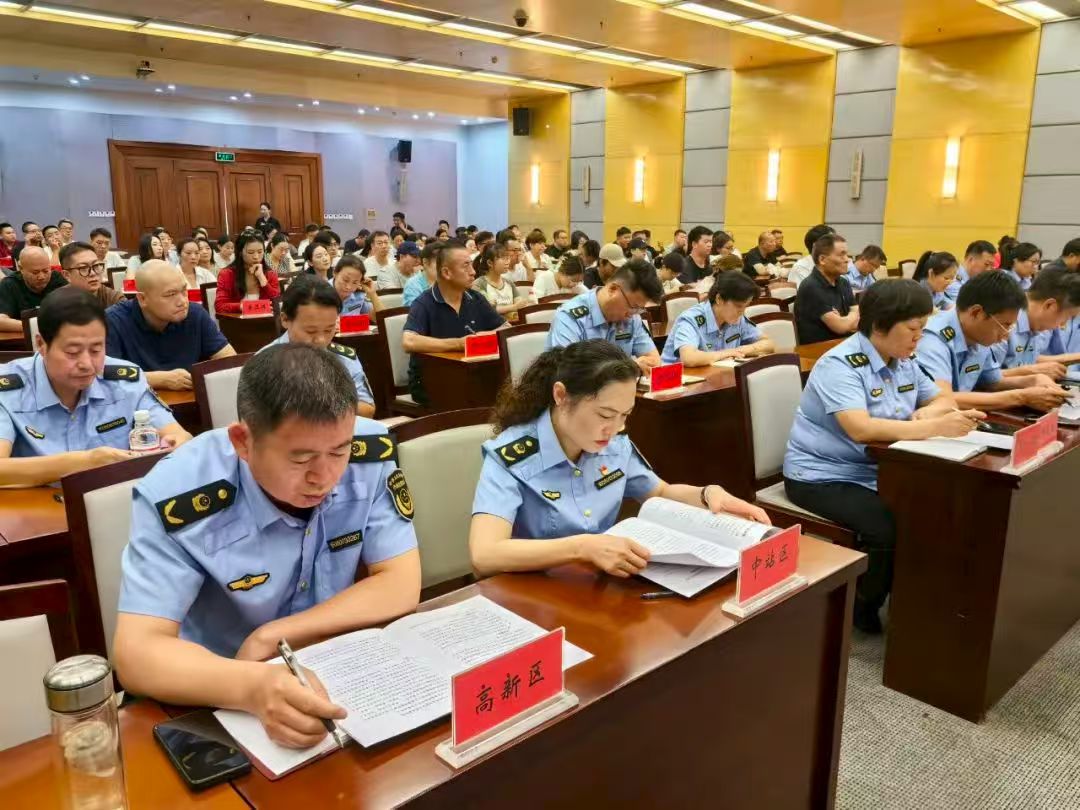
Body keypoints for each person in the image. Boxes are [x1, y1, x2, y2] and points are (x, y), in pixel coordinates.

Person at [113, 343, 420, 748]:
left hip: (331, 668)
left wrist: (274, 635)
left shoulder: (370, 452)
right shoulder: (180, 492)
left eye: (338, 451)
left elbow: (400, 581)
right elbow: (137, 653)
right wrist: (252, 687)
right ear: (243, 441)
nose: (325, 477)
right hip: (213, 691)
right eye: (301, 459)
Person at [469, 339, 769, 578]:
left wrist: (706, 494)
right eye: (605, 415)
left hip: (599, 582)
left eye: (625, 415)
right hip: (534, 590)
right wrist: (582, 548)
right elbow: (484, 554)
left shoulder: (613, 444)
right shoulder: (512, 455)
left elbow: (660, 492)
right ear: (561, 396)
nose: (615, 429)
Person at [783, 280, 981, 633]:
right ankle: (862, 606)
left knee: (937, 508)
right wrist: (934, 427)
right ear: (878, 326)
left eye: (923, 328)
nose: (919, 337)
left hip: (881, 468)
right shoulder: (840, 365)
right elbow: (861, 429)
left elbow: (943, 398)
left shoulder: (903, 360)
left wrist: (928, 413)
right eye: (913, 329)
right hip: (822, 475)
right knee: (884, 527)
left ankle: (918, 601)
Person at [0, 287, 191, 487]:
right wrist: (86, 462)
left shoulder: (124, 381)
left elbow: (180, 437)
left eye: (96, 350)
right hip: (37, 504)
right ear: (41, 344)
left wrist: (176, 444)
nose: (86, 363)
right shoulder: (8, 389)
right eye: (72, 352)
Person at [914, 271, 1069, 412]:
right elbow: (941, 399)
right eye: (1004, 325)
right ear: (976, 313)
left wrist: (1034, 379)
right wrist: (1021, 397)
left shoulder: (978, 336)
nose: (1006, 335)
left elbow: (992, 381)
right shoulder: (933, 340)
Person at [402, 243, 506, 405]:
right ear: (446, 272)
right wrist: (459, 343)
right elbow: (409, 341)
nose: (473, 272)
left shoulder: (475, 298)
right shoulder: (424, 302)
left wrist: (482, 337)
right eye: (466, 266)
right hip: (433, 381)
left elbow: (506, 329)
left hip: (474, 374)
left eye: (471, 265)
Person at [107, 261, 236, 391]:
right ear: (142, 299)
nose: (182, 301)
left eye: (184, 291)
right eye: (170, 294)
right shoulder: (114, 320)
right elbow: (108, 372)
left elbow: (231, 361)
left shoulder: (195, 314)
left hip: (189, 399)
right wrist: (160, 380)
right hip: (137, 400)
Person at [263, 277, 375, 418]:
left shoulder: (343, 357)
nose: (321, 340)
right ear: (285, 319)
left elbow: (367, 409)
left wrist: (327, 402)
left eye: (329, 330)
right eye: (311, 331)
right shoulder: (264, 362)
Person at [546, 258, 662, 373]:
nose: (632, 315)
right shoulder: (570, 318)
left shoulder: (632, 317)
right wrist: (628, 367)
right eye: (633, 306)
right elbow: (567, 373)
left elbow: (654, 361)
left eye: (639, 309)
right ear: (613, 289)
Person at [661, 272, 775, 365]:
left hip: (714, 378)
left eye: (746, 306)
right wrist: (726, 353)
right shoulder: (691, 319)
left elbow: (769, 344)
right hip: (674, 382)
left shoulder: (738, 319)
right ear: (719, 299)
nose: (742, 312)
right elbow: (689, 357)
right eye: (738, 306)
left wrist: (741, 350)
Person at [990, 266, 1080, 376]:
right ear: (1050, 306)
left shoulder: (1035, 327)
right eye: (1068, 317)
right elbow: (982, 379)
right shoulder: (1003, 322)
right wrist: (1030, 372)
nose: (1063, 324)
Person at [794, 234, 857, 345]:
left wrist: (846, 320)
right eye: (842, 255)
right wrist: (849, 319)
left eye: (847, 254)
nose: (847, 260)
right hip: (818, 349)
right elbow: (840, 327)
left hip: (843, 343)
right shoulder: (811, 286)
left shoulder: (843, 282)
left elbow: (858, 315)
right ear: (822, 259)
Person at [0, 246, 68, 333]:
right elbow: (1, 321)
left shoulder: (58, 280)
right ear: (21, 269)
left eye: (46, 271)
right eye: (35, 272)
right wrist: (38, 327)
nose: (41, 277)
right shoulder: (9, 284)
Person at [215, 233, 281, 314]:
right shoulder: (227, 274)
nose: (256, 257)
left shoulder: (270, 274)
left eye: (260, 252)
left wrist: (263, 280)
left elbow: (277, 302)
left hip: (265, 320)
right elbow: (220, 306)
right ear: (240, 252)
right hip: (237, 319)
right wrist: (244, 307)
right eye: (250, 252)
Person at [60, 242, 124, 308]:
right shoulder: (58, 303)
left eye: (96, 265)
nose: (93, 273)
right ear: (67, 275)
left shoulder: (115, 299)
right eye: (83, 268)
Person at [473, 242, 527, 318]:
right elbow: (487, 309)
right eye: (503, 259)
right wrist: (513, 307)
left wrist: (519, 305)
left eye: (508, 258)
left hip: (513, 323)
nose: (507, 262)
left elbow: (519, 304)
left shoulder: (509, 283)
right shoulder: (479, 284)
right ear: (490, 263)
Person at [402, 241, 442, 307]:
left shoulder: (447, 281)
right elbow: (415, 311)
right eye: (439, 262)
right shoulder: (413, 285)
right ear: (425, 262)